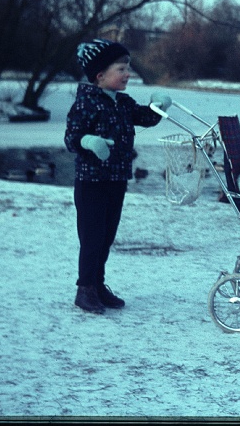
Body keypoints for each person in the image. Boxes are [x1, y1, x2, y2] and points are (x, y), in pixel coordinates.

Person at [65, 38, 172, 314]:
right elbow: (72, 138)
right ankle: (84, 289)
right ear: (100, 76)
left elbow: (144, 117)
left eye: (128, 68)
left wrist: (158, 107)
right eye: (121, 69)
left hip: (116, 179)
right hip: (91, 181)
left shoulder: (123, 102)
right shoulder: (86, 103)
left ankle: (98, 285)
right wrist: (89, 142)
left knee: (107, 236)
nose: (128, 74)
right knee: (92, 236)